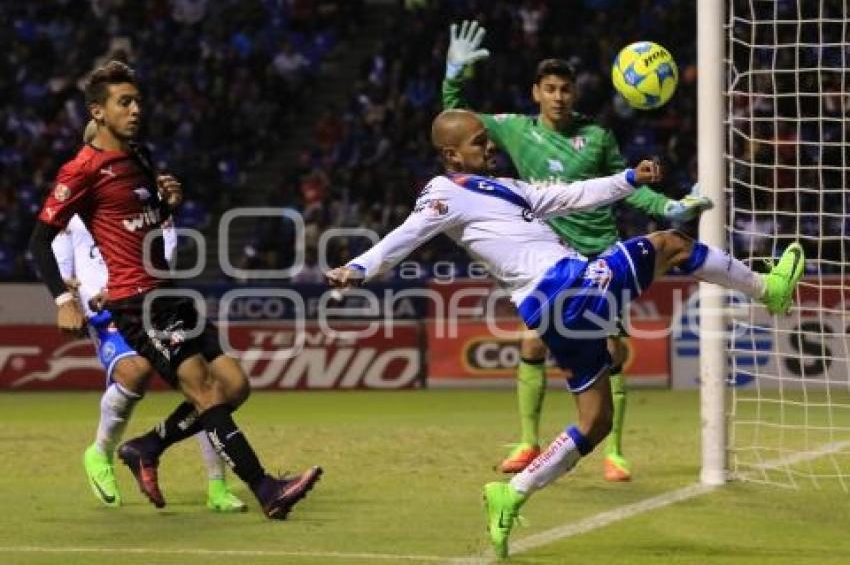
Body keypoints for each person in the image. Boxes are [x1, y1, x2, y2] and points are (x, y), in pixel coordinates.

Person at [326, 109, 804, 557]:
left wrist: (627, 180)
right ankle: (769, 289)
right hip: (566, 290)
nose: (489, 146)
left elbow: (568, 196)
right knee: (673, 243)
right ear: (452, 155)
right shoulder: (443, 192)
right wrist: (359, 267)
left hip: (557, 314)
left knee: (594, 422)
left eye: (488, 139)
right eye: (478, 142)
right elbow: (407, 233)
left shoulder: (504, 188)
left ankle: (511, 495)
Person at [29, 60, 321, 520]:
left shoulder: (139, 156)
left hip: (169, 292)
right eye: (124, 102)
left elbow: (142, 217)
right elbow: (38, 240)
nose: (136, 109)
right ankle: (266, 487)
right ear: (98, 112)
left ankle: (147, 446)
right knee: (205, 390)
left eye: (138, 100)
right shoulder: (81, 170)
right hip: (137, 302)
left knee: (235, 387)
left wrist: (167, 202)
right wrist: (64, 299)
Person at [441, 20, 713, 480]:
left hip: (600, 249)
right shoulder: (513, 130)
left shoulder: (599, 137)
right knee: (531, 343)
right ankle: (529, 441)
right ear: (536, 93)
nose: (559, 97)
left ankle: (616, 452)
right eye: (550, 89)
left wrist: (668, 205)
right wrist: (453, 76)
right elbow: (457, 125)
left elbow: (628, 187)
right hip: (551, 256)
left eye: (566, 89)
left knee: (612, 351)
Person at [54, 120, 245, 512]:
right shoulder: (75, 200)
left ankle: (216, 487)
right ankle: (101, 452)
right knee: (135, 372)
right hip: (106, 311)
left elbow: (166, 246)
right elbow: (61, 258)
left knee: (205, 386)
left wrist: (138, 283)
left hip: (148, 298)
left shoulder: (140, 194)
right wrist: (71, 294)